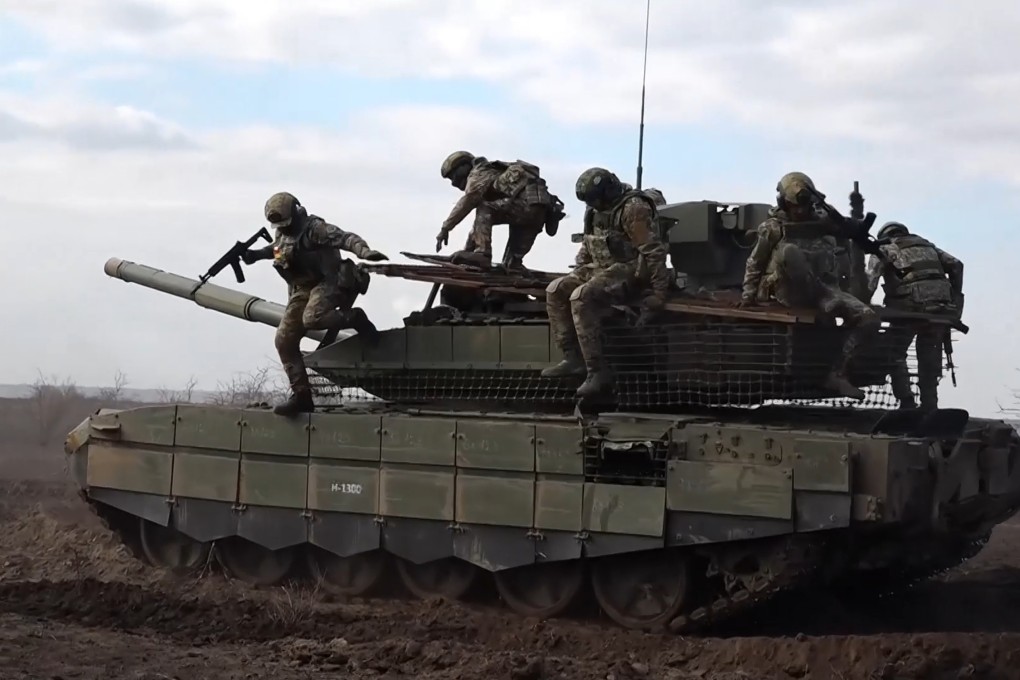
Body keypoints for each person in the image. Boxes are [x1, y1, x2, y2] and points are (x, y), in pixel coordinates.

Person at [242, 192, 389, 416]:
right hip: (302, 289)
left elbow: (346, 238)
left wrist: (365, 251)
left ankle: (355, 317)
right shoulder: (283, 233)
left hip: (328, 282)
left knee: (312, 318)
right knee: (284, 340)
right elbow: (276, 250)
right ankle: (301, 396)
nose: (283, 228)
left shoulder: (315, 229)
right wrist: (255, 255)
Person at [738, 172, 880, 400]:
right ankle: (825, 301)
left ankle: (837, 374)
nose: (801, 211)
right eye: (795, 206)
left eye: (805, 206)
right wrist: (748, 296)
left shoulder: (825, 221)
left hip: (827, 288)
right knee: (790, 252)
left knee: (869, 319)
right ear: (784, 203)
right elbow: (755, 261)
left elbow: (847, 240)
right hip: (787, 289)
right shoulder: (773, 227)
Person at [541, 168, 671, 398]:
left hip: (629, 268)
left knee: (581, 297)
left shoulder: (633, 209)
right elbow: (588, 244)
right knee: (555, 290)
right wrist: (579, 267)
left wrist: (659, 293)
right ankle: (572, 358)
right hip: (600, 267)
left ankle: (597, 372)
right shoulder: (593, 210)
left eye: (596, 199)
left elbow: (653, 252)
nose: (594, 204)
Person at [866, 221, 964, 410]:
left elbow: (870, 282)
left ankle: (906, 401)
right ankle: (929, 405)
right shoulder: (927, 245)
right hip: (941, 310)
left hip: (908, 309)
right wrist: (956, 299)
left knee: (894, 353)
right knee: (929, 356)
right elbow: (956, 265)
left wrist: (860, 307)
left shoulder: (883, 248)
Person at [435, 151, 565, 269]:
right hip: (537, 214)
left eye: (453, 177)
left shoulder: (479, 173)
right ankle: (513, 264)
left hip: (523, 208)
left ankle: (482, 253)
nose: (453, 183)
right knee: (511, 265)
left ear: (461, 169)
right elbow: (479, 227)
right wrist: (467, 251)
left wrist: (445, 228)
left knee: (484, 208)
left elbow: (468, 201)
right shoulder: (498, 172)